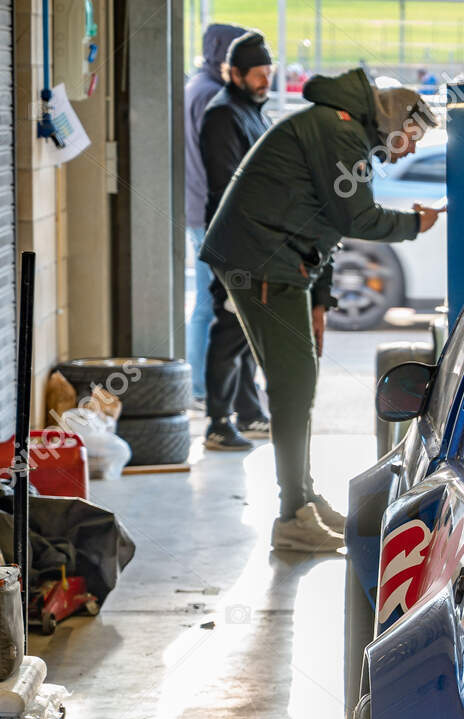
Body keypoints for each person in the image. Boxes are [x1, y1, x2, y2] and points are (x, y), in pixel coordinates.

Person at [201, 68, 444, 553]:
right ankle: (292, 516)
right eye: (412, 138)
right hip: (264, 260)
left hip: (278, 260)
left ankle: (303, 499)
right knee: (294, 388)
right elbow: (355, 217)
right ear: (396, 123)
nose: (412, 149)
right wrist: (417, 223)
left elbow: (327, 225)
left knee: (299, 384)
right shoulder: (339, 131)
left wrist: (318, 300)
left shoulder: (345, 129)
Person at [200, 30, 274, 453]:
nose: (265, 81)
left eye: (268, 73)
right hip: (233, 242)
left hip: (252, 239)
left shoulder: (251, 110)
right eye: (258, 74)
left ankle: (248, 412)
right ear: (235, 74)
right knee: (229, 327)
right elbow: (224, 185)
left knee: (245, 328)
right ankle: (216, 421)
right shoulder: (222, 115)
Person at [184, 22, 247, 403]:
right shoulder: (212, 95)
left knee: (208, 301)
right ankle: (201, 388)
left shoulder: (198, 86)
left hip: (199, 210)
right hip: (210, 215)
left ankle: (202, 386)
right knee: (210, 303)